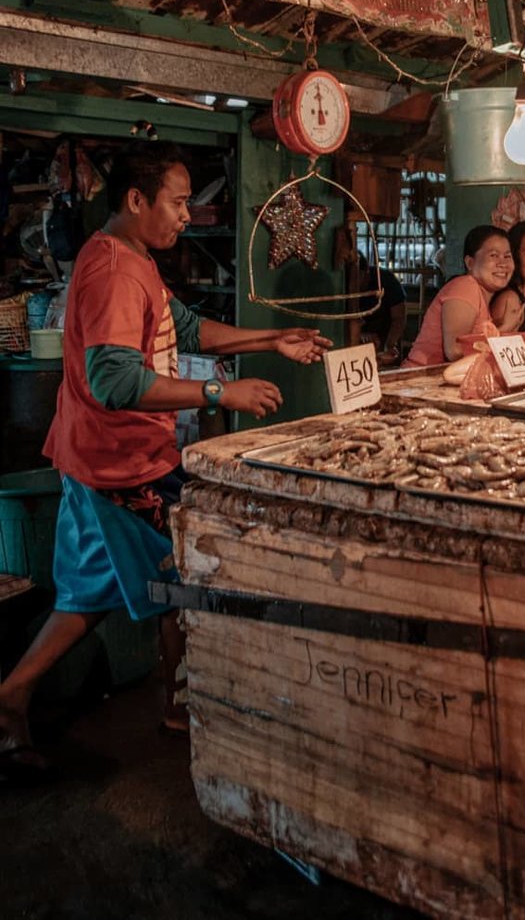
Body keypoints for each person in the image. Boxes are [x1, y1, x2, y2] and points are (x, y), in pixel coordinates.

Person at [0, 142, 330, 780]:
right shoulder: (117, 274)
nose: (186, 214)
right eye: (177, 202)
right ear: (136, 200)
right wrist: (219, 391)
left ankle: (15, 699)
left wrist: (270, 339)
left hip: (102, 460)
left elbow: (187, 327)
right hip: (120, 467)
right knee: (191, 573)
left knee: (86, 596)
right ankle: (184, 702)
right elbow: (114, 383)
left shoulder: (130, 258)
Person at [402, 225, 513, 366]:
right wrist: (503, 331)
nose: (503, 263)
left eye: (507, 256)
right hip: (419, 379)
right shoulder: (465, 286)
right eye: (493, 255)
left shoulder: (482, 295)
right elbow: (454, 351)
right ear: (470, 263)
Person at [356, 254, 407, 366]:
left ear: (366, 272)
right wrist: (359, 335)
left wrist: (389, 345)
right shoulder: (343, 286)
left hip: (385, 335)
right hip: (357, 338)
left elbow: (399, 318)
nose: (353, 282)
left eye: (357, 277)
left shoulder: (386, 280)